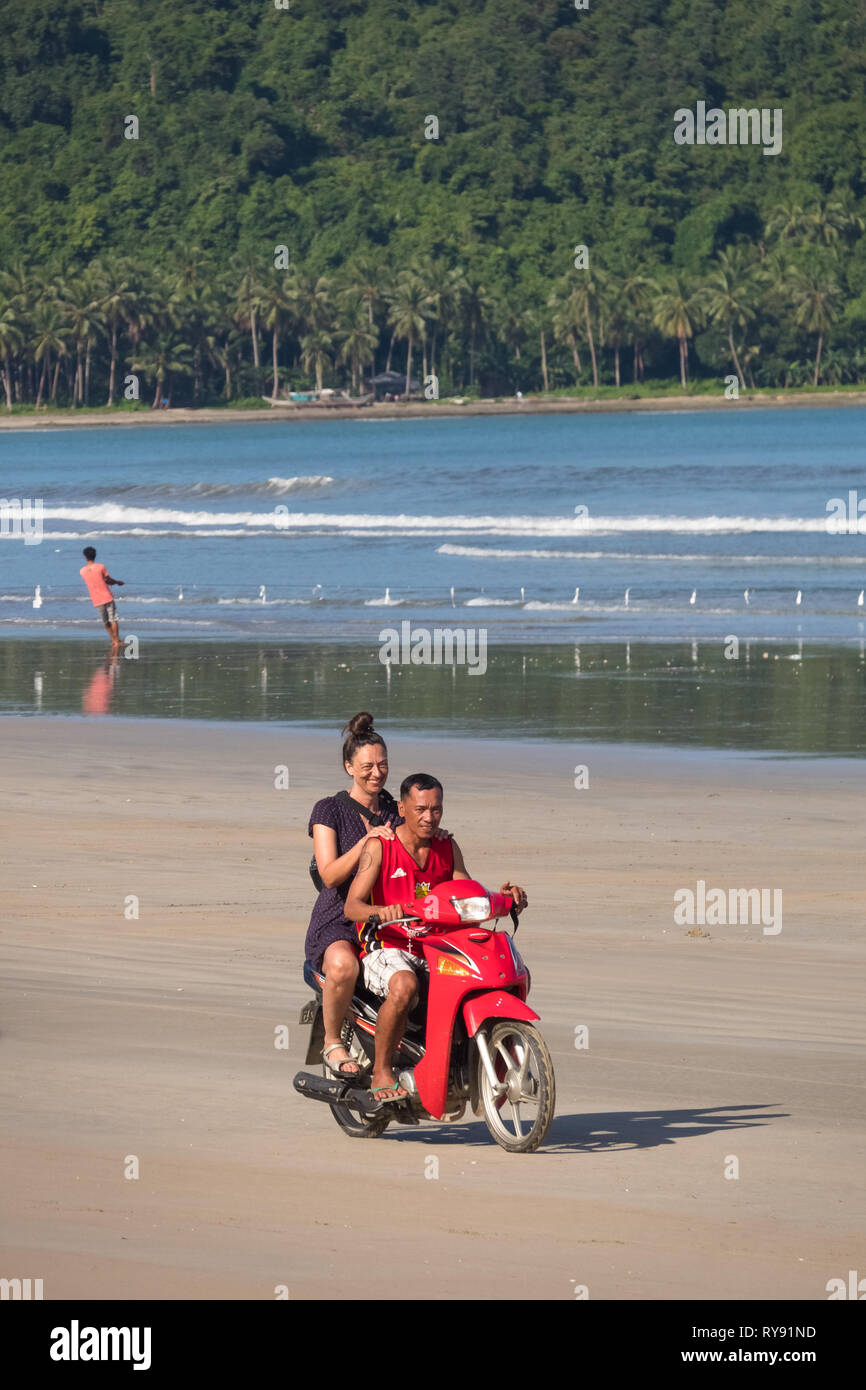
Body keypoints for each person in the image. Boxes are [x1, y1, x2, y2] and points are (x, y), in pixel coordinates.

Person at [344, 773, 527, 1103]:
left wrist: (502, 898)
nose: (429, 817)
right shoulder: (379, 847)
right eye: (420, 809)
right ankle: (381, 1071)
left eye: (436, 809)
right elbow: (352, 906)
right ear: (401, 808)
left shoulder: (447, 846)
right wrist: (381, 911)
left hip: (436, 944)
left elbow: (469, 893)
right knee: (405, 986)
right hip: (388, 943)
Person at [304, 713, 401, 1082]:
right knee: (344, 966)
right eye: (367, 767)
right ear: (349, 767)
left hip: (387, 914)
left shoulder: (396, 808)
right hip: (339, 919)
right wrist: (368, 841)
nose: (376, 773)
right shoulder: (328, 809)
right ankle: (331, 1042)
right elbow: (329, 875)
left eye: (383, 765)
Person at [80, 546, 124, 649]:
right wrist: (118, 582)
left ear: (85, 557)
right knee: (113, 619)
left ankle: (113, 640)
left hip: (96, 599)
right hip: (107, 596)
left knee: (105, 621)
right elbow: (108, 580)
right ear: (95, 555)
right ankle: (117, 640)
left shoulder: (82, 571)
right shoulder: (101, 567)